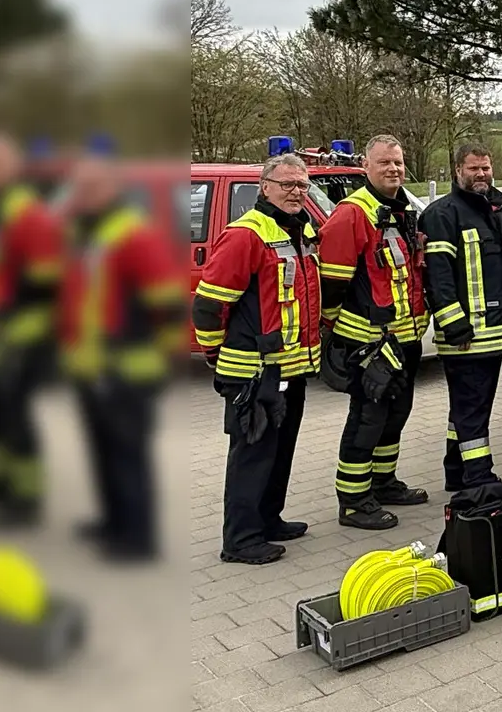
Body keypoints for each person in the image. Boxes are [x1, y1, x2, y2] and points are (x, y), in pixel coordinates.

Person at [194, 154, 323, 564]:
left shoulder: (300, 232)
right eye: (287, 184)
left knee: (280, 449)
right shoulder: (245, 235)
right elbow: (208, 306)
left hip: (290, 368)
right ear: (264, 187)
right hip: (252, 371)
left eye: (302, 185)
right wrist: (215, 353)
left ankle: (269, 519)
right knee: (253, 454)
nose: (295, 192)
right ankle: (241, 539)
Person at [59, 151, 182, 560]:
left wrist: (151, 355)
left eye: (92, 187)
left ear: (113, 188)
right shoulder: (86, 233)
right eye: (79, 188)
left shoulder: (132, 234)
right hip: (91, 368)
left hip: (126, 368)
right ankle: (112, 521)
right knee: (102, 453)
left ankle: (137, 538)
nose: (83, 195)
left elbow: (166, 302)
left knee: (128, 457)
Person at [318, 134, 431, 531]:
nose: (393, 169)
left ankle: (384, 482)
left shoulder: (401, 210)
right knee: (367, 419)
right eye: (384, 162)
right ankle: (352, 501)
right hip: (368, 342)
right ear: (365, 166)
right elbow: (332, 285)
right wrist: (337, 336)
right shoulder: (353, 213)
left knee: (394, 416)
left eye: (398, 162)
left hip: (405, 339)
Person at [422, 142, 502, 492]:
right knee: (472, 412)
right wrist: (453, 324)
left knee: (465, 411)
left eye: (486, 168)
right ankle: (479, 479)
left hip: (492, 335)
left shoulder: (494, 213)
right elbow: (438, 277)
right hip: (466, 338)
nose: (481, 174)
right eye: (473, 168)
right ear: (457, 171)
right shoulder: (442, 214)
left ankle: (457, 472)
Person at [0, 133, 62, 527]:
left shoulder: (25, 213)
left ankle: (26, 496)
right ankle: (2, 478)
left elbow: (45, 278)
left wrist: (8, 315)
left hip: (19, 335)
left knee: (12, 415)